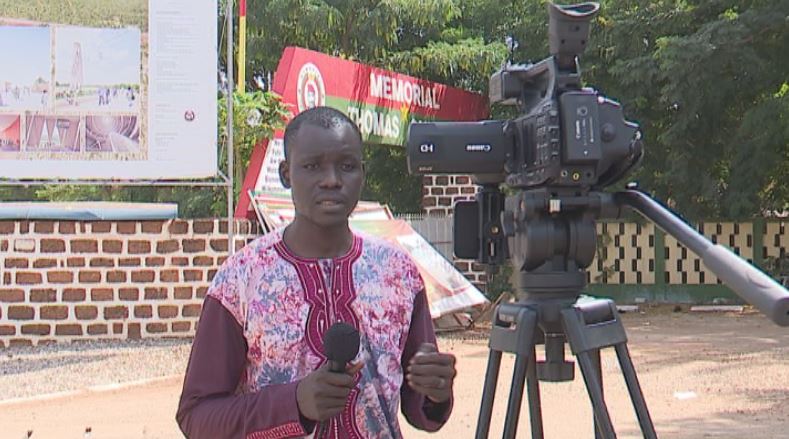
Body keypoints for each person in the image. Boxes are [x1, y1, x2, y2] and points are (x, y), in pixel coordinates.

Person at [176, 106, 457, 438]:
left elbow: (420, 407)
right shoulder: (241, 278)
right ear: (286, 174)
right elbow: (197, 416)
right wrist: (294, 403)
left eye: (347, 166)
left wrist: (436, 392)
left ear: (363, 174)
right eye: (312, 166)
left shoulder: (398, 273)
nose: (332, 180)